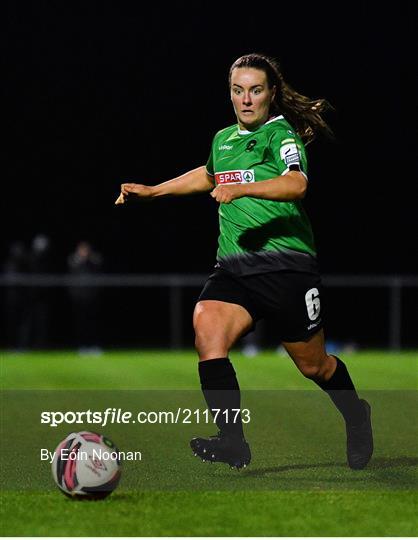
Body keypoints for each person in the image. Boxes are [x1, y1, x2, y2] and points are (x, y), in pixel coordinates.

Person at [116, 53, 373, 471]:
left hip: (286, 269)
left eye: (255, 90)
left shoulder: (280, 134)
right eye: (238, 91)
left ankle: (356, 416)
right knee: (206, 327)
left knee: (315, 366)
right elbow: (210, 174)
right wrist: (154, 191)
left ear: (271, 93)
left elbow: (297, 183)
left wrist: (244, 189)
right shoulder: (223, 140)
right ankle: (232, 441)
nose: (246, 99)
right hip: (234, 270)